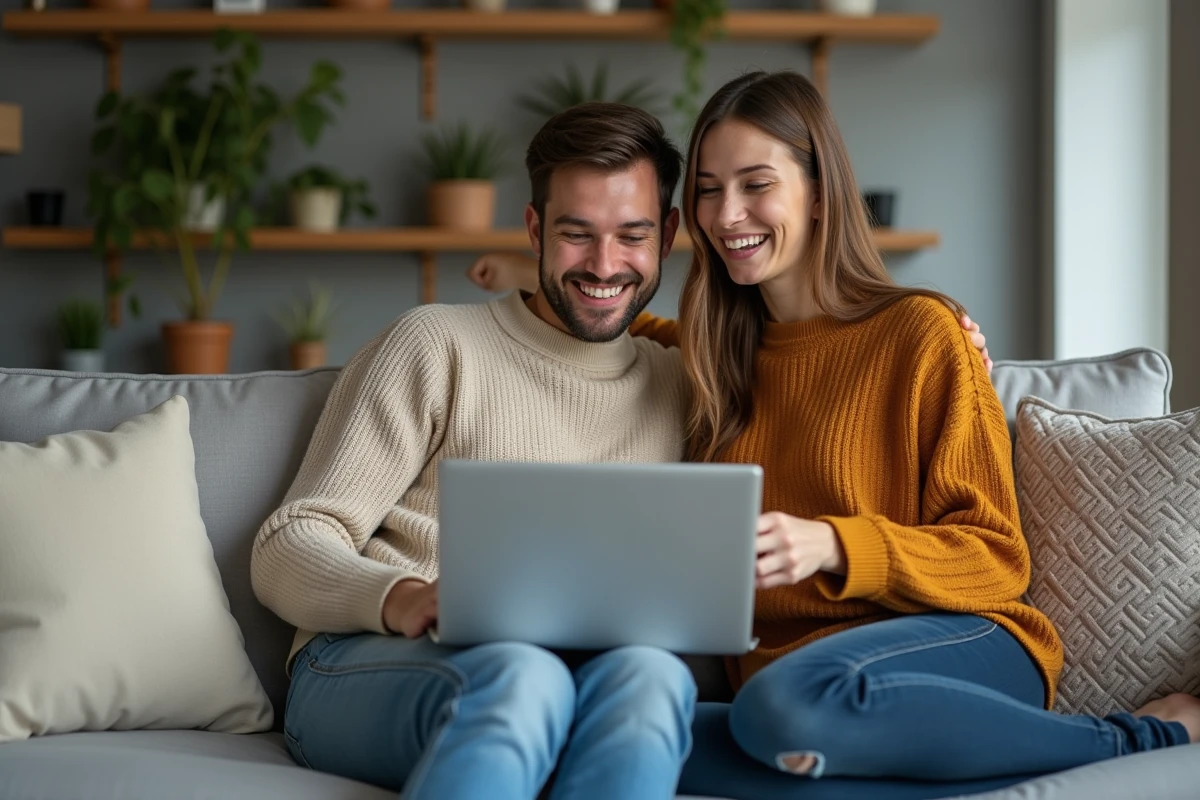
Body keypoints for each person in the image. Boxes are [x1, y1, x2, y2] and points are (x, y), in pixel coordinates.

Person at [469, 71, 1200, 800]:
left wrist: (836, 543)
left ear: (818, 193)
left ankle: (1134, 739)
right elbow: (615, 314)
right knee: (612, 733)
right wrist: (524, 272)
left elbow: (997, 559)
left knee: (785, 705)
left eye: (756, 184)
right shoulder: (712, 352)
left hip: (954, 644)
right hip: (790, 693)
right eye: (710, 190)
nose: (728, 215)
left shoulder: (921, 332)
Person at [250, 103, 698, 800]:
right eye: (576, 235)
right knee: (525, 676)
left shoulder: (678, 385)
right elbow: (287, 544)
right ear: (535, 230)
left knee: (657, 677)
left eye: (631, 237)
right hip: (372, 662)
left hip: (574, 675)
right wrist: (399, 596)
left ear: (667, 235)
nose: (605, 265)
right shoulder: (436, 343)